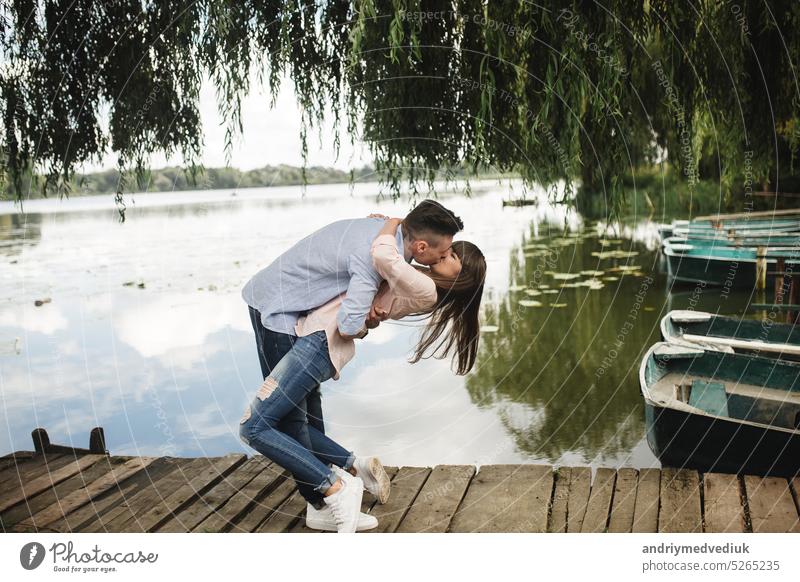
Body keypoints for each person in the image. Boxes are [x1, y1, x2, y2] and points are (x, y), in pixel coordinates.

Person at [239, 200, 466, 532]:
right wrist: (362, 321)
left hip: (294, 313)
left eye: (450, 256)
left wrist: (391, 222)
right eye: (444, 251)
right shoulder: (377, 256)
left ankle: (329, 493)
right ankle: (330, 491)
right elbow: (349, 322)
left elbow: (385, 281)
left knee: (300, 419)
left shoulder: (388, 244)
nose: (444, 255)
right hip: (280, 309)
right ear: (420, 246)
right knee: (287, 421)